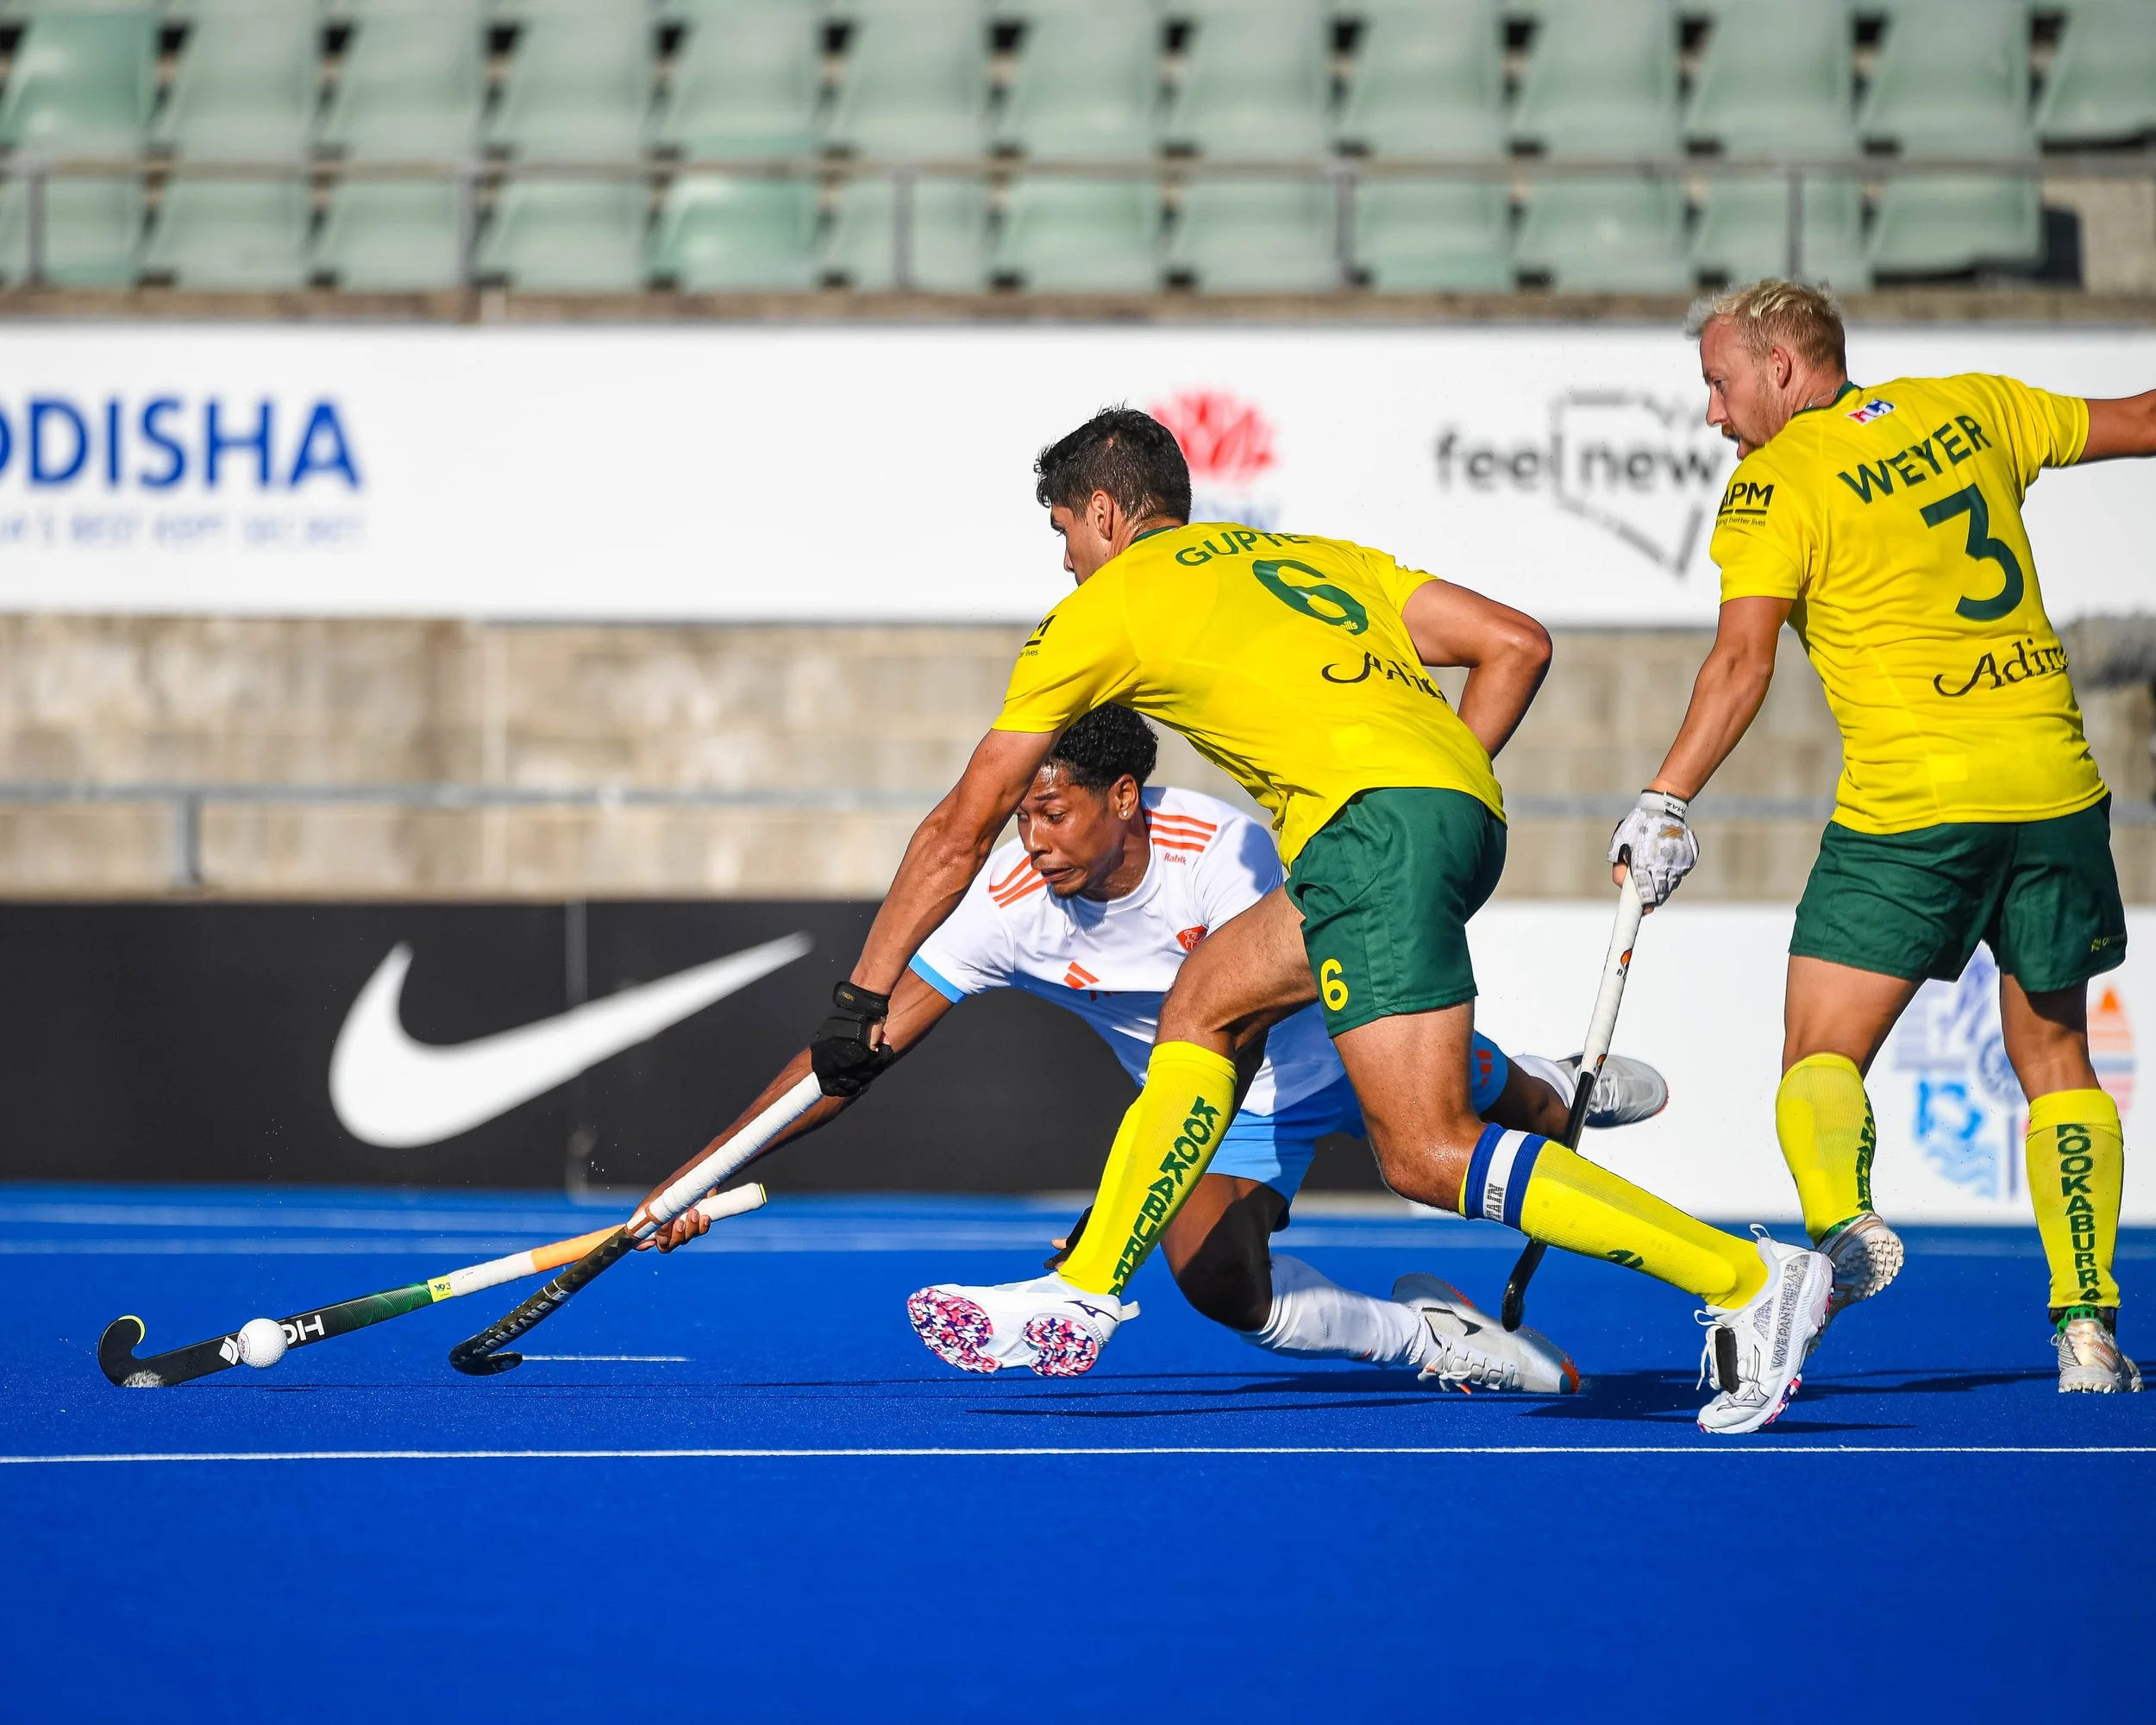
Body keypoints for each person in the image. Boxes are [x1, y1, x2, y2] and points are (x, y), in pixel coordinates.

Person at [784, 407, 1833, 1435]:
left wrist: (860, 992)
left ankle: (1747, 1274)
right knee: (1206, 1002)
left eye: (1062, 532)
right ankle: (1090, 1280)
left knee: (1425, 1152)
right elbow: (1515, 642)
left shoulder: (1101, 611)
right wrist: (1436, 788)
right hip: (1447, 813)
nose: (1065, 563)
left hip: (1372, 831)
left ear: (1103, 511)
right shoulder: (1309, 559)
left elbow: (960, 827)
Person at [642, 702, 1671, 1391]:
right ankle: (1433, 1339)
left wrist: (1130, 1192)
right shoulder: (1007, 907)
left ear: (1121, 798)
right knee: (1218, 1284)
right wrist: (702, 1171)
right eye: (1018, 815)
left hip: (1338, 1040)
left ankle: (1542, 1081)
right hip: (1223, 1101)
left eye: (1048, 812)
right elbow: (855, 1053)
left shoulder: (1219, 849)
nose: (1028, 838)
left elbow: (1248, 1010)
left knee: (1522, 1131)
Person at [1617, 278, 2156, 1392]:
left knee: (1819, 1052)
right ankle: (2089, 1331)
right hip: (2055, 784)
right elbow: (2146, 420)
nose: (1713, 414)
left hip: (1914, 805)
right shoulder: (1974, 404)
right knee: (2057, 1059)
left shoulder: (1775, 486)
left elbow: (1741, 662)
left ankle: (1840, 1231)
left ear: (1780, 368)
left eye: (1718, 385)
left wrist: (1666, 795)